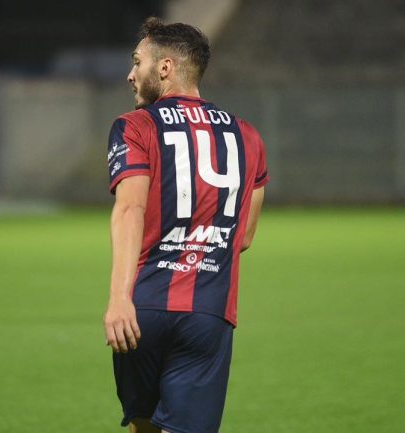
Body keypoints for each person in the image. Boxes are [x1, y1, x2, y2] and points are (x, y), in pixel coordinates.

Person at [103, 17, 269, 433]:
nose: (130, 74)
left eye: (137, 62)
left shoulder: (134, 126)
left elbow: (129, 210)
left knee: (143, 425)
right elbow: (243, 236)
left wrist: (120, 298)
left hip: (144, 308)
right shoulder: (247, 136)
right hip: (208, 312)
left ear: (164, 68)